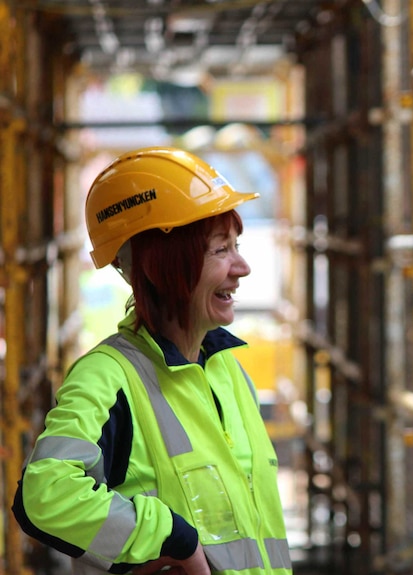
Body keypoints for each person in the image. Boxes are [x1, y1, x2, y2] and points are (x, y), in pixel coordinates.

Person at [12, 147, 293, 575]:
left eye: (237, 246)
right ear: (162, 266)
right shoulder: (106, 377)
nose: (243, 267)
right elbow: (46, 494)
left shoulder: (226, 369)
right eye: (221, 251)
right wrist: (169, 538)